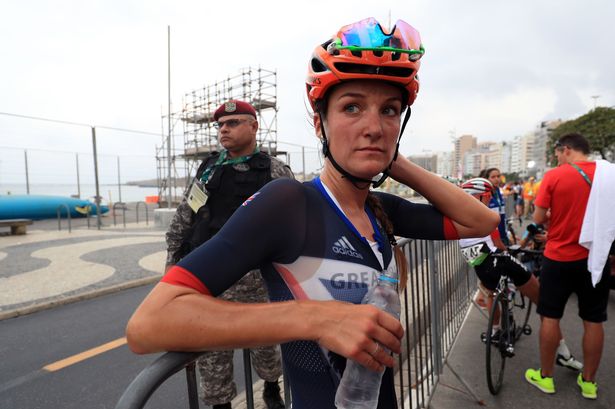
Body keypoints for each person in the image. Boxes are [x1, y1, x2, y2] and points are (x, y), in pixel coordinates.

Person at [127, 17, 500, 409]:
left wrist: (395, 161)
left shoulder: (379, 207)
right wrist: (318, 319)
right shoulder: (288, 203)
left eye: (389, 111)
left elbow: (480, 221)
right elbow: (149, 323)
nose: (374, 126)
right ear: (320, 124)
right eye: (352, 107)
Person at [164, 100, 293, 409]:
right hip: (210, 280)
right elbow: (187, 213)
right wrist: (172, 265)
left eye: (233, 122)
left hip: (257, 281)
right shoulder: (209, 169)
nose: (224, 129)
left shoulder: (274, 169)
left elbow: (294, 219)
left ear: (254, 126)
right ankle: (222, 404)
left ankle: (272, 388)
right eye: (221, 125)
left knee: (265, 344)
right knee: (212, 353)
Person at [525, 133, 611, 400]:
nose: (557, 158)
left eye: (558, 153)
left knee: (550, 316)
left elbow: (538, 218)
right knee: (593, 320)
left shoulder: (555, 176)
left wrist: (553, 215)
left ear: (566, 149)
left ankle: (547, 377)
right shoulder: (609, 175)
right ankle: (589, 382)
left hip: (559, 257)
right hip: (596, 259)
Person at [459, 178, 540, 328]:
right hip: (495, 259)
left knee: (491, 292)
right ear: (478, 196)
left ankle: (495, 329)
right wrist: (508, 250)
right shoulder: (486, 215)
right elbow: (498, 244)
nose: (490, 198)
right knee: (529, 278)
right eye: (488, 195)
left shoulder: (458, 216)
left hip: (478, 263)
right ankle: (548, 315)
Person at [479, 168, 508, 245]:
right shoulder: (484, 194)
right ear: (487, 179)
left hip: (502, 233)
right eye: (493, 177)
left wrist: (505, 235)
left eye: (498, 176)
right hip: (491, 238)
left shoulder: (498, 191)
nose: (497, 179)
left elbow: (502, 216)